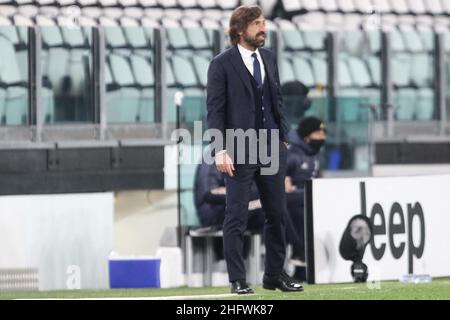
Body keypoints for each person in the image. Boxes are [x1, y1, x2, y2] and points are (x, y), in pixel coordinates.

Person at [206, 5, 303, 294]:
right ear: (239, 30)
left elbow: (278, 101)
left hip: (272, 147)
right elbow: (215, 110)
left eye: (263, 23)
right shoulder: (221, 64)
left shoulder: (269, 58)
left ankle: (274, 274)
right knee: (235, 215)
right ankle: (237, 279)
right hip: (238, 149)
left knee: (277, 213)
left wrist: (283, 136)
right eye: (257, 24)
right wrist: (219, 149)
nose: (263, 28)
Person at [285, 116, 327, 280]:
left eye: (323, 132)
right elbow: (283, 185)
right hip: (290, 203)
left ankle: (303, 260)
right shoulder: (291, 153)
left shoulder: (314, 154)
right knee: (298, 205)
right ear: (307, 136)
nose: (323, 137)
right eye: (318, 132)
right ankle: (299, 250)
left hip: (307, 200)